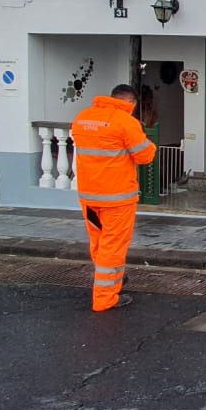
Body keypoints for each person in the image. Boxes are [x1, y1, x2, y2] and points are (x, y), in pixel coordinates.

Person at [71, 84, 157, 311]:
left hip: (89, 197)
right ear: (131, 103)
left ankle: (112, 279)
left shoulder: (82, 118)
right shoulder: (126, 122)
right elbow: (145, 156)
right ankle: (105, 297)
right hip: (117, 199)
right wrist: (149, 143)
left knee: (99, 242)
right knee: (113, 246)